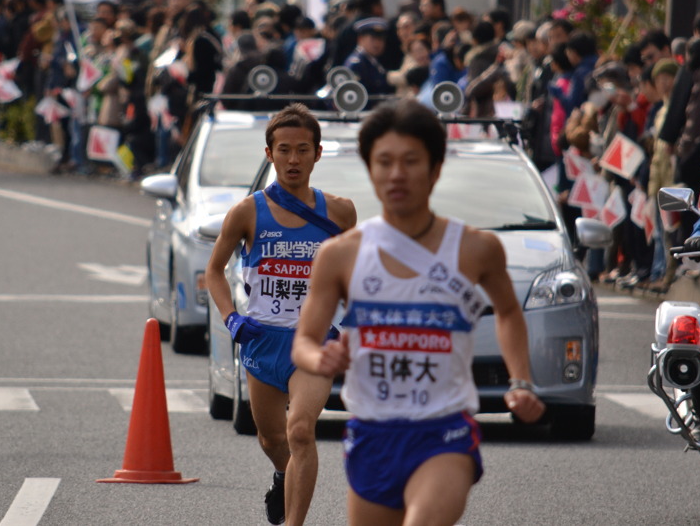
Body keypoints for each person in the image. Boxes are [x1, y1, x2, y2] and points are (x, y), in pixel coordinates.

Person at [291, 99, 544, 526]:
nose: (396, 174)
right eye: (384, 161)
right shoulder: (340, 255)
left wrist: (521, 381)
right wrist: (322, 360)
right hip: (372, 432)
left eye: (411, 161)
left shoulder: (475, 248)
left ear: (436, 167)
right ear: (370, 169)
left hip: (443, 432)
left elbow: (507, 311)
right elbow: (304, 341)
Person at [205, 103, 357, 525]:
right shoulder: (247, 212)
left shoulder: (341, 212)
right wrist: (231, 318)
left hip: (313, 342)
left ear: (318, 153)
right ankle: (280, 474)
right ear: (269, 154)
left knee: (301, 430)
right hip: (261, 340)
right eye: (285, 150)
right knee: (273, 438)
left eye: (303, 149)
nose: (294, 159)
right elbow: (214, 271)